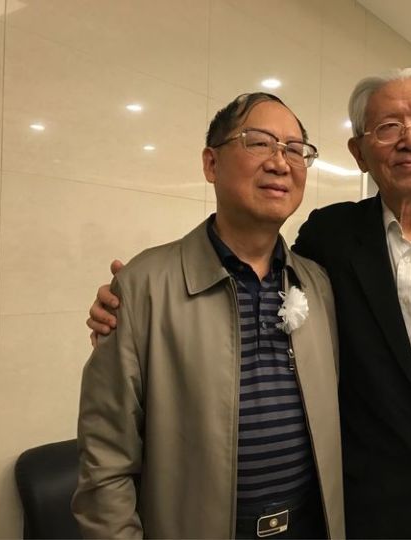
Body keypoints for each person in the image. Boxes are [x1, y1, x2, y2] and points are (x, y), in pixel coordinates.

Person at [88, 67, 411, 538]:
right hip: (377, 514)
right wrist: (134, 302)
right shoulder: (331, 242)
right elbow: (237, 267)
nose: (410, 139)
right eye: (388, 127)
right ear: (359, 152)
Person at [72, 92, 344, 539]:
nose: (281, 162)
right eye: (260, 142)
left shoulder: (318, 284)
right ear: (211, 163)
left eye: (295, 150)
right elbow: (105, 464)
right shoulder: (144, 286)